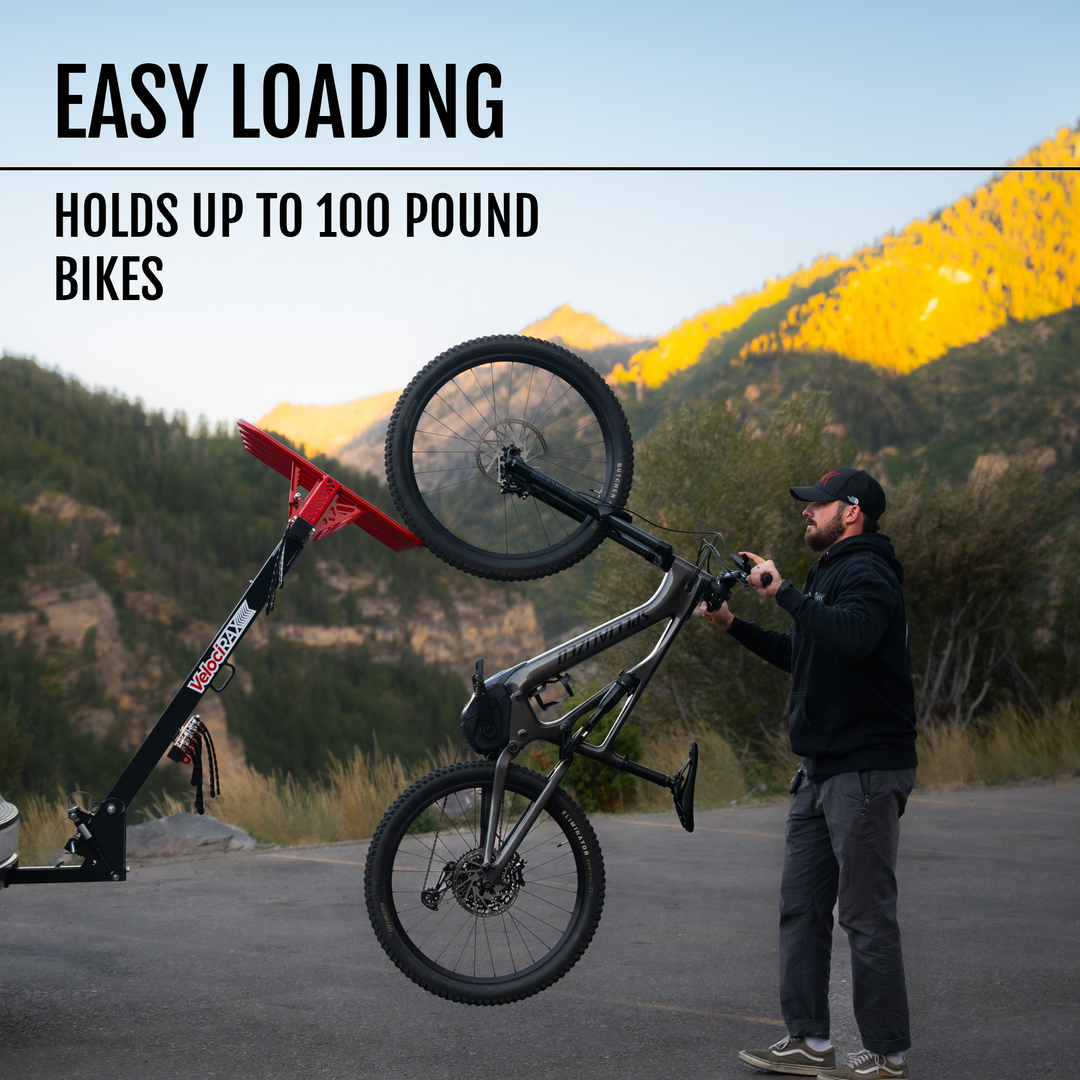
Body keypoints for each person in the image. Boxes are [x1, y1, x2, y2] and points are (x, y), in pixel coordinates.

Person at [699, 468, 917, 1080]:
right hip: (821, 770)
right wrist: (732, 624)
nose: (806, 514)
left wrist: (783, 592)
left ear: (851, 512)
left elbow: (851, 636)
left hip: (866, 770)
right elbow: (807, 653)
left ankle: (886, 1053)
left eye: (816, 505)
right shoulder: (833, 573)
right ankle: (808, 1040)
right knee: (801, 906)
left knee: (866, 916)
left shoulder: (869, 571)